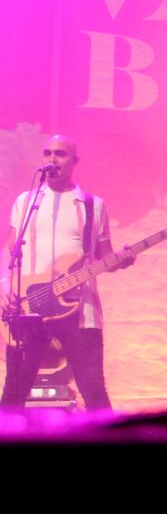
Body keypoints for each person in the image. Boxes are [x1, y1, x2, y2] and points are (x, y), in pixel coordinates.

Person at [1, 135, 133, 410]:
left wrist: (122, 260)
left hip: (78, 309)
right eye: (47, 152)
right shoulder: (26, 201)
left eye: (60, 154)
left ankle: (109, 434)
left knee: (93, 389)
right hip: (29, 307)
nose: (52, 158)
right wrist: (4, 284)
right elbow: (10, 248)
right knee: (13, 392)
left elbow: (104, 257)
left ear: (75, 162)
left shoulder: (92, 205)